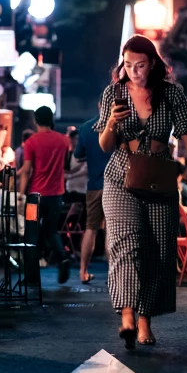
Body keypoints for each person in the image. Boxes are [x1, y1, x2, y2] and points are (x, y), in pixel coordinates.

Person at [97, 34, 187, 349]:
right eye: (129, 65)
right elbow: (105, 146)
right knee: (126, 244)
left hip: (159, 178)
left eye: (141, 65)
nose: (134, 71)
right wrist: (110, 123)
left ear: (152, 64)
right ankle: (128, 316)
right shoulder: (114, 93)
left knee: (158, 253)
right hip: (120, 176)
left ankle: (146, 319)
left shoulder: (171, 93)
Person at [19, 105, 71, 284]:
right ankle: (63, 257)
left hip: (35, 197)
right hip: (56, 195)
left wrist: (21, 194)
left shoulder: (31, 142)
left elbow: (26, 170)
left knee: (31, 234)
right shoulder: (64, 140)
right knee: (52, 230)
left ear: (35, 121)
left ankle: (31, 275)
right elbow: (66, 165)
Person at [75, 105, 111, 284]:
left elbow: (78, 154)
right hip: (117, 186)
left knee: (91, 229)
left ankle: (83, 271)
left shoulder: (86, 127)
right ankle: (113, 275)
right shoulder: (120, 124)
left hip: (95, 185)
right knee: (113, 231)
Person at [65, 129, 88, 201]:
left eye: (78, 139)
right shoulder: (67, 155)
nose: (76, 141)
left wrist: (71, 176)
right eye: (74, 138)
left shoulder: (86, 154)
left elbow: (86, 170)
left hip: (83, 190)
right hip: (70, 189)